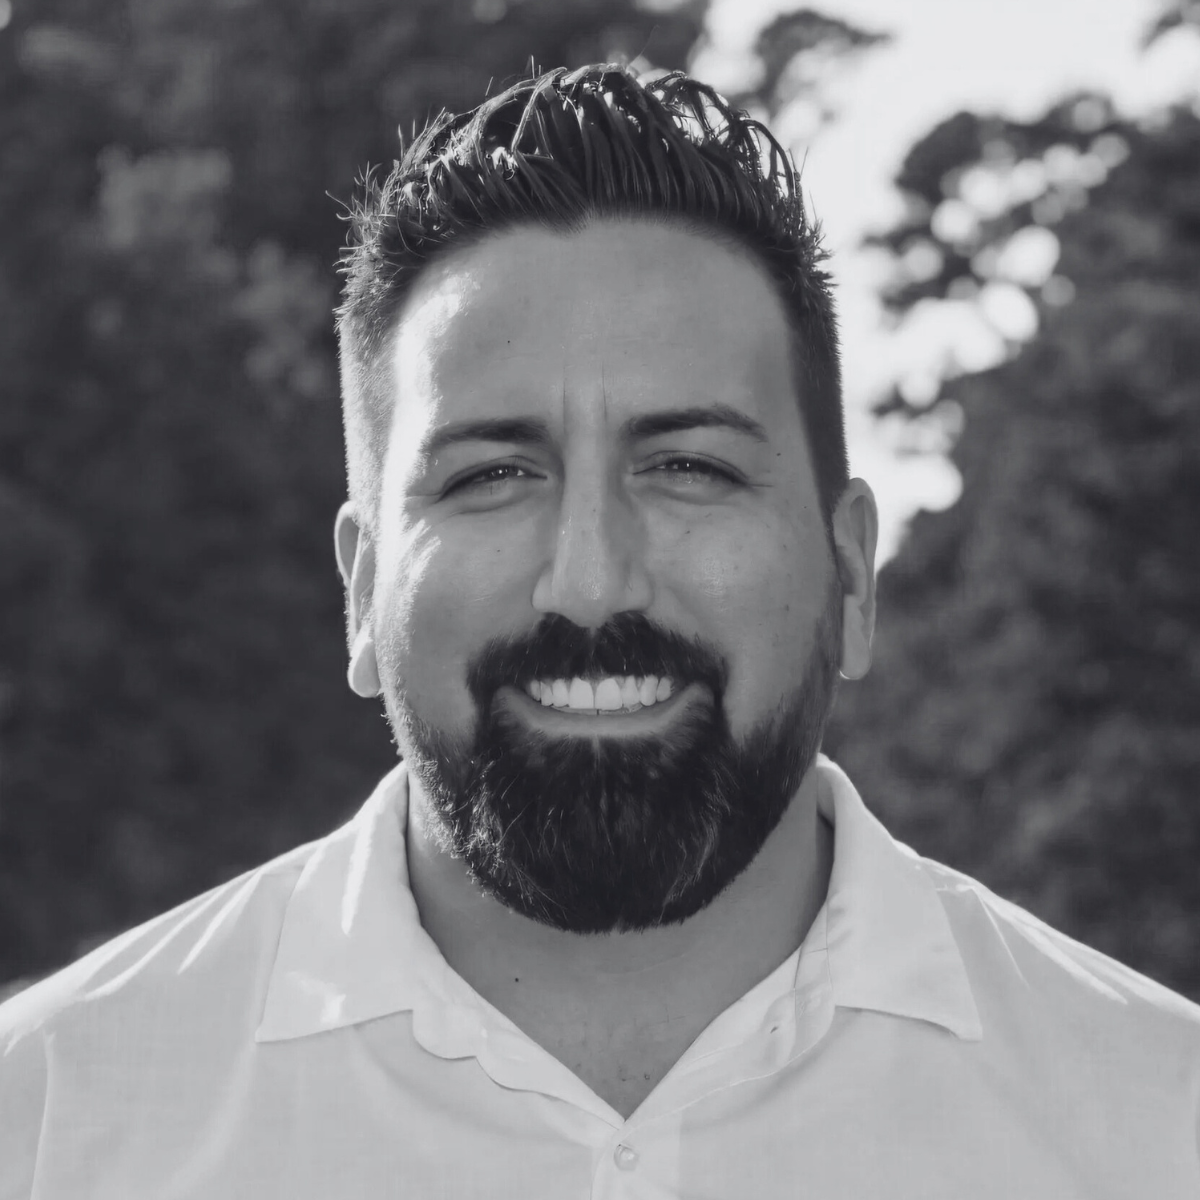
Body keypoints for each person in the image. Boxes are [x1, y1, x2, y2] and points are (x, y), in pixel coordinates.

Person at [1, 63, 1198, 1198]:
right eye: (491, 477)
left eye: (688, 467)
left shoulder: (1162, 1127)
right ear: (362, 590)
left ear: (849, 575)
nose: (588, 584)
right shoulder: (48, 1123)